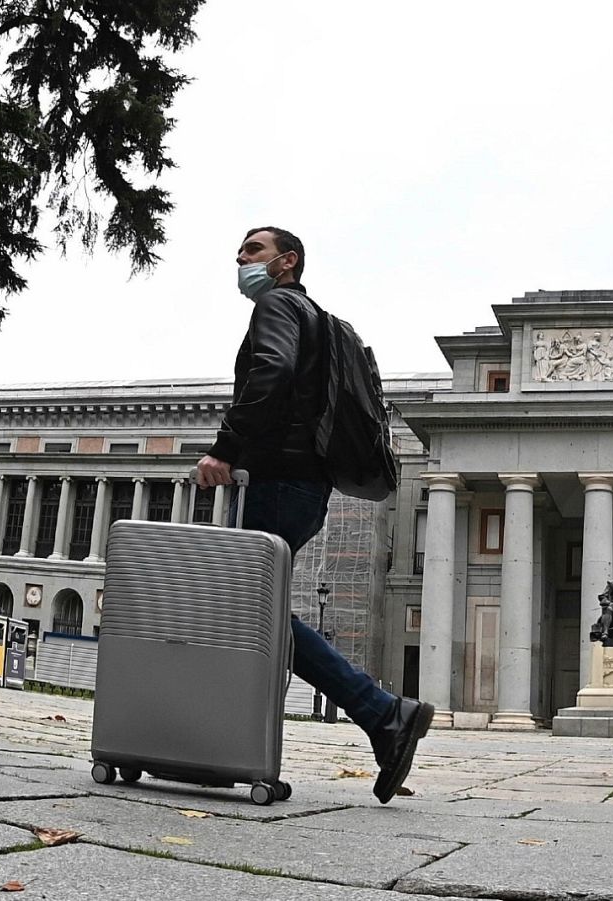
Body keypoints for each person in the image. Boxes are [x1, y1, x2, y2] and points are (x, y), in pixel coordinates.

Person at [196, 226, 432, 805]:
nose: (240, 259)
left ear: (286, 262)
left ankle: (382, 713)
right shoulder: (322, 320)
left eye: (252, 249)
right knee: (259, 609)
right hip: (307, 483)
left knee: (255, 610)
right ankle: (373, 718)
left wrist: (225, 448)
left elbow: (271, 374)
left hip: (280, 477)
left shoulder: (278, 304)